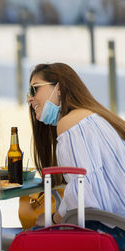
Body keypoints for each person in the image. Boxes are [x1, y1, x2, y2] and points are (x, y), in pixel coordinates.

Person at [27, 62, 125, 248]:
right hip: (116, 227)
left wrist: (53, 220)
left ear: (59, 88)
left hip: (111, 233)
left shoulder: (71, 124)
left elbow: (82, 196)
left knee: (25, 239)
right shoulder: (91, 117)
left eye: (34, 89)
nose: (29, 99)